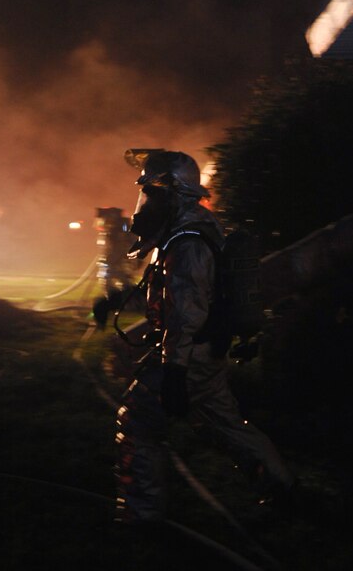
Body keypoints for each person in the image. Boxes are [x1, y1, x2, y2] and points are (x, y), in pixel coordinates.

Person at [112, 149, 295, 524]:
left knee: (138, 420)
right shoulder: (190, 230)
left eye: (154, 192)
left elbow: (186, 311)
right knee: (221, 423)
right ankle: (281, 486)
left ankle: (141, 513)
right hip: (203, 353)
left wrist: (174, 370)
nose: (146, 201)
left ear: (175, 193)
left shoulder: (190, 241)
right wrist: (114, 300)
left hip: (188, 356)